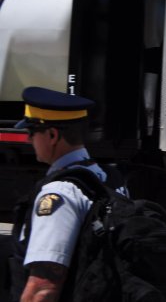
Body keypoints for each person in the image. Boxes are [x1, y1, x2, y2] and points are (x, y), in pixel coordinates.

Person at [9, 87, 125, 302]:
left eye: (31, 133)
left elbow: (43, 288)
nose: (28, 140)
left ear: (52, 135)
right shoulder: (111, 179)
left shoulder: (59, 193)